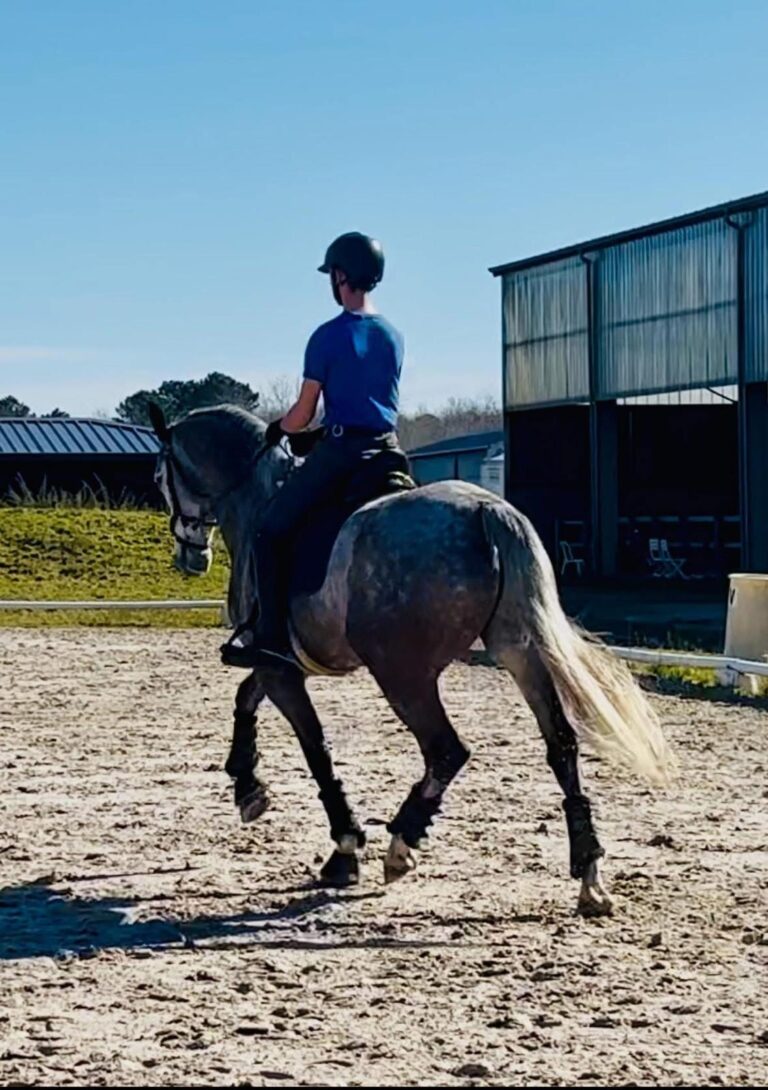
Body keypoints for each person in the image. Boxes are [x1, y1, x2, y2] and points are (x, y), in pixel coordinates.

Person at [221, 231, 404, 670]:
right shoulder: (393, 336)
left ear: (340, 276)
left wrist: (278, 429)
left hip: (343, 454)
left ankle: (267, 640)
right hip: (389, 451)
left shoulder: (327, 336)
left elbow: (302, 414)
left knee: (269, 531)